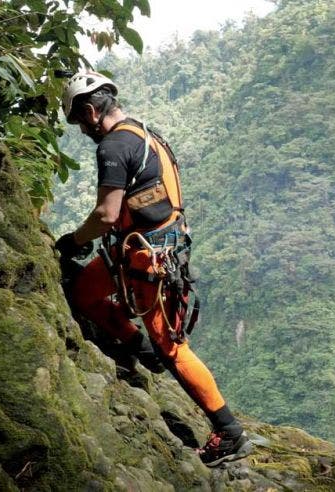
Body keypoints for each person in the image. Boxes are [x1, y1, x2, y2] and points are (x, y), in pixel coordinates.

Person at [54, 71, 251, 466]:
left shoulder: (113, 146)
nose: (82, 130)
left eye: (79, 122)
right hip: (155, 249)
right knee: (84, 292)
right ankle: (140, 348)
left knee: (173, 347)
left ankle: (229, 431)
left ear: (91, 112)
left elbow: (107, 215)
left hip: (146, 258)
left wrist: (74, 241)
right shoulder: (146, 133)